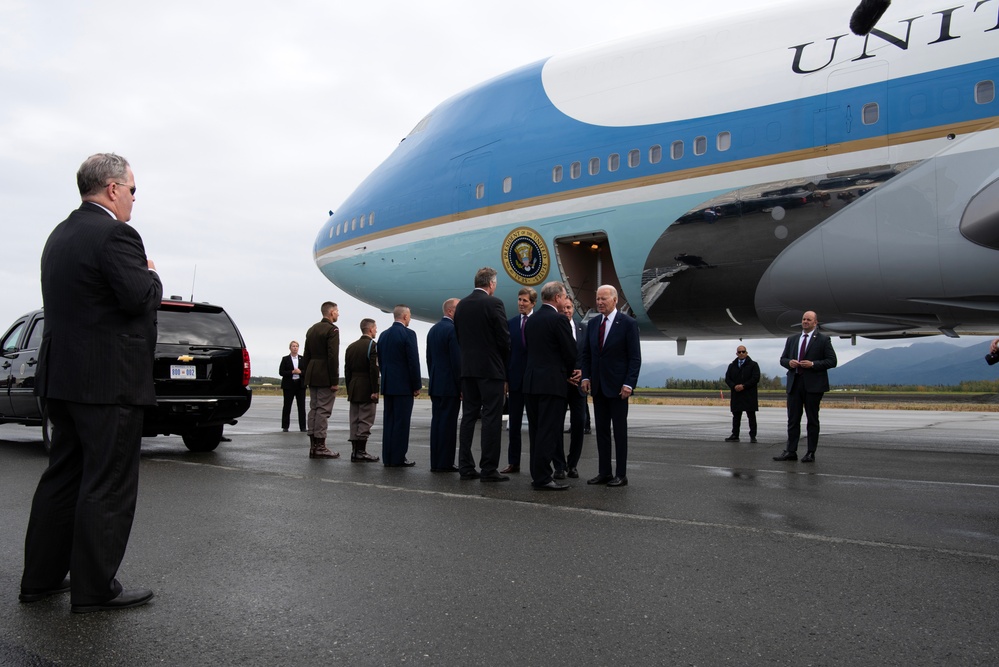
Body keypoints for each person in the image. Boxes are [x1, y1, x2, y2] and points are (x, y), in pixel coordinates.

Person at [20, 153, 160, 613]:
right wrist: (152, 276)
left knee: (63, 478)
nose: (135, 200)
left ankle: (40, 580)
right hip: (108, 383)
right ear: (113, 189)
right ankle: (94, 590)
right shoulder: (117, 234)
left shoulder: (59, 235)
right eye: (133, 190)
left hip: (62, 379)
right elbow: (137, 296)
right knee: (108, 483)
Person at [454, 267, 511, 482]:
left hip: (468, 370)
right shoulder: (494, 303)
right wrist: (504, 366)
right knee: (491, 418)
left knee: (468, 417)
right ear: (492, 283)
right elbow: (504, 339)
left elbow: (459, 336)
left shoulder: (461, 306)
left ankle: (465, 466)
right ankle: (488, 468)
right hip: (491, 370)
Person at [580, 285, 642, 487]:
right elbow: (587, 355)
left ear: (615, 300)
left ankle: (621, 474)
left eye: (603, 299)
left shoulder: (628, 324)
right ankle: (604, 472)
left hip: (618, 388)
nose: (599, 302)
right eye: (597, 298)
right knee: (602, 432)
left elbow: (634, 358)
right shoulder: (593, 323)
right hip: (598, 387)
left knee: (619, 432)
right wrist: (586, 377)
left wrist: (629, 384)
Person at [523, 282, 580, 490]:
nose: (566, 301)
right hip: (551, 383)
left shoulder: (531, 320)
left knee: (537, 432)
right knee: (549, 431)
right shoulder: (559, 320)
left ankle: (537, 474)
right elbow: (571, 351)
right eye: (564, 297)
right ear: (557, 298)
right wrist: (569, 372)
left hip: (531, 382)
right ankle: (543, 478)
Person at [774, 310, 837, 463]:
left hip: (813, 385)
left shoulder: (823, 340)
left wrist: (813, 364)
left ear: (815, 322)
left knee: (812, 420)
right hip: (795, 383)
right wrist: (789, 362)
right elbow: (783, 359)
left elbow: (832, 361)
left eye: (809, 319)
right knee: (793, 420)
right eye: (803, 319)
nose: (805, 322)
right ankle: (791, 451)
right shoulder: (792, 339)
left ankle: (810, 452)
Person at [378, 305, 421, 467]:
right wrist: (416, 384)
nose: (409, 318)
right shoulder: (408, 334)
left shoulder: (383, 335)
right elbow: (413, 362)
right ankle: (398, 458)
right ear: (404, 316)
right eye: (409, 316)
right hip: (403, 386)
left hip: (389, 384)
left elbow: (381, 362)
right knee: (401, 423)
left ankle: (388, 457)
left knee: (389, 422)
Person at [502, 286, 537, 474]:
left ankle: (536, 464)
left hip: (533, 380)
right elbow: (506, 353)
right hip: (515, 380)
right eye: (519, 300)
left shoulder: (538, 323)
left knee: (535, 425)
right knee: (514, 424)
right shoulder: (511, 323)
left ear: (533, 303)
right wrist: (505, 378)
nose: (521, 304)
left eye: (525, 301)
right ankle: (513, 462)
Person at [427, 298, 461, 472]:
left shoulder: (433, 330)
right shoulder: (452, 330)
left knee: (437, 424)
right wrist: (461, 386)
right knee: (448, 426)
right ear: (450, 311)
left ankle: (436, 462)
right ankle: (445, 463)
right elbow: (456, 362)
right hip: (449, 386)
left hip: (436, 384)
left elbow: (429, 359)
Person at [303, 301, 341, 459]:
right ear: (331, 312)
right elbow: (333, 356)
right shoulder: (332, 330)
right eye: (337, 311)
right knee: (323, 411)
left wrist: (306, 375)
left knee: (314, 409)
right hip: (325, 373)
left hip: (313, 372)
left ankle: (313, 445)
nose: (338, 314)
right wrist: (334, 380)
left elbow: (306, 355)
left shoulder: (312, 329)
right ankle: (320, 446)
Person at [343, 319, 381, 462]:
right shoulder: (372, 346)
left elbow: (347, 371)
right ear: (370, 329)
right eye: (375, 328)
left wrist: (349, 388)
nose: (376, 330)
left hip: (354, 386)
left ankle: (355, 451)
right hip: (367, 387)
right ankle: (361, 451)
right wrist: (375, 390)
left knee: (354, 419)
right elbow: (374, 369)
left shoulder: (351, 347)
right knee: (365, 420)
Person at [562, 300, 590, 478]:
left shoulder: (583, 329)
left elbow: (588, 355)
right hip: (560, 384)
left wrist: (584, 373)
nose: (566, 311)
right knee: (556, 425)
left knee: (578, 425)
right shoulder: (554, 328)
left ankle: (572, 464)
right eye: (563, 308)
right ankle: (559, 464)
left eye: (569, 307)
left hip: (579, 386)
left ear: (573, 309)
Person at [724, 345, 760, 443]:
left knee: (751, 416)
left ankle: (753, 436)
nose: (741, 353)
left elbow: (755, 378)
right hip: (737, 394)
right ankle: (735, 435)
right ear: (736, 353)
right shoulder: (732, 365)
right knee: (736, 416)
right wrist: (734, 386)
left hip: (749, 394)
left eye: (743, 351)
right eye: (739, 352)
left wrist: (744, 386)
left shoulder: (753, 365)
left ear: (746, 353)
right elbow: (727, 378)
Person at [279, 341, 306, 432]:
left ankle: (303, 427)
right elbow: (281, 372)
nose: (295, 348)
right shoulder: (285, 359)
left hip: (300, 385)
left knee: (301, 406)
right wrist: (292, 372)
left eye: (296, 346)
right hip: (289, 385)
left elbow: (307, 371)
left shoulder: (303, 359)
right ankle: (285, 426)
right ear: (290, 348)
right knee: (287, 406)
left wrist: (300, 372)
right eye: (293, 346)